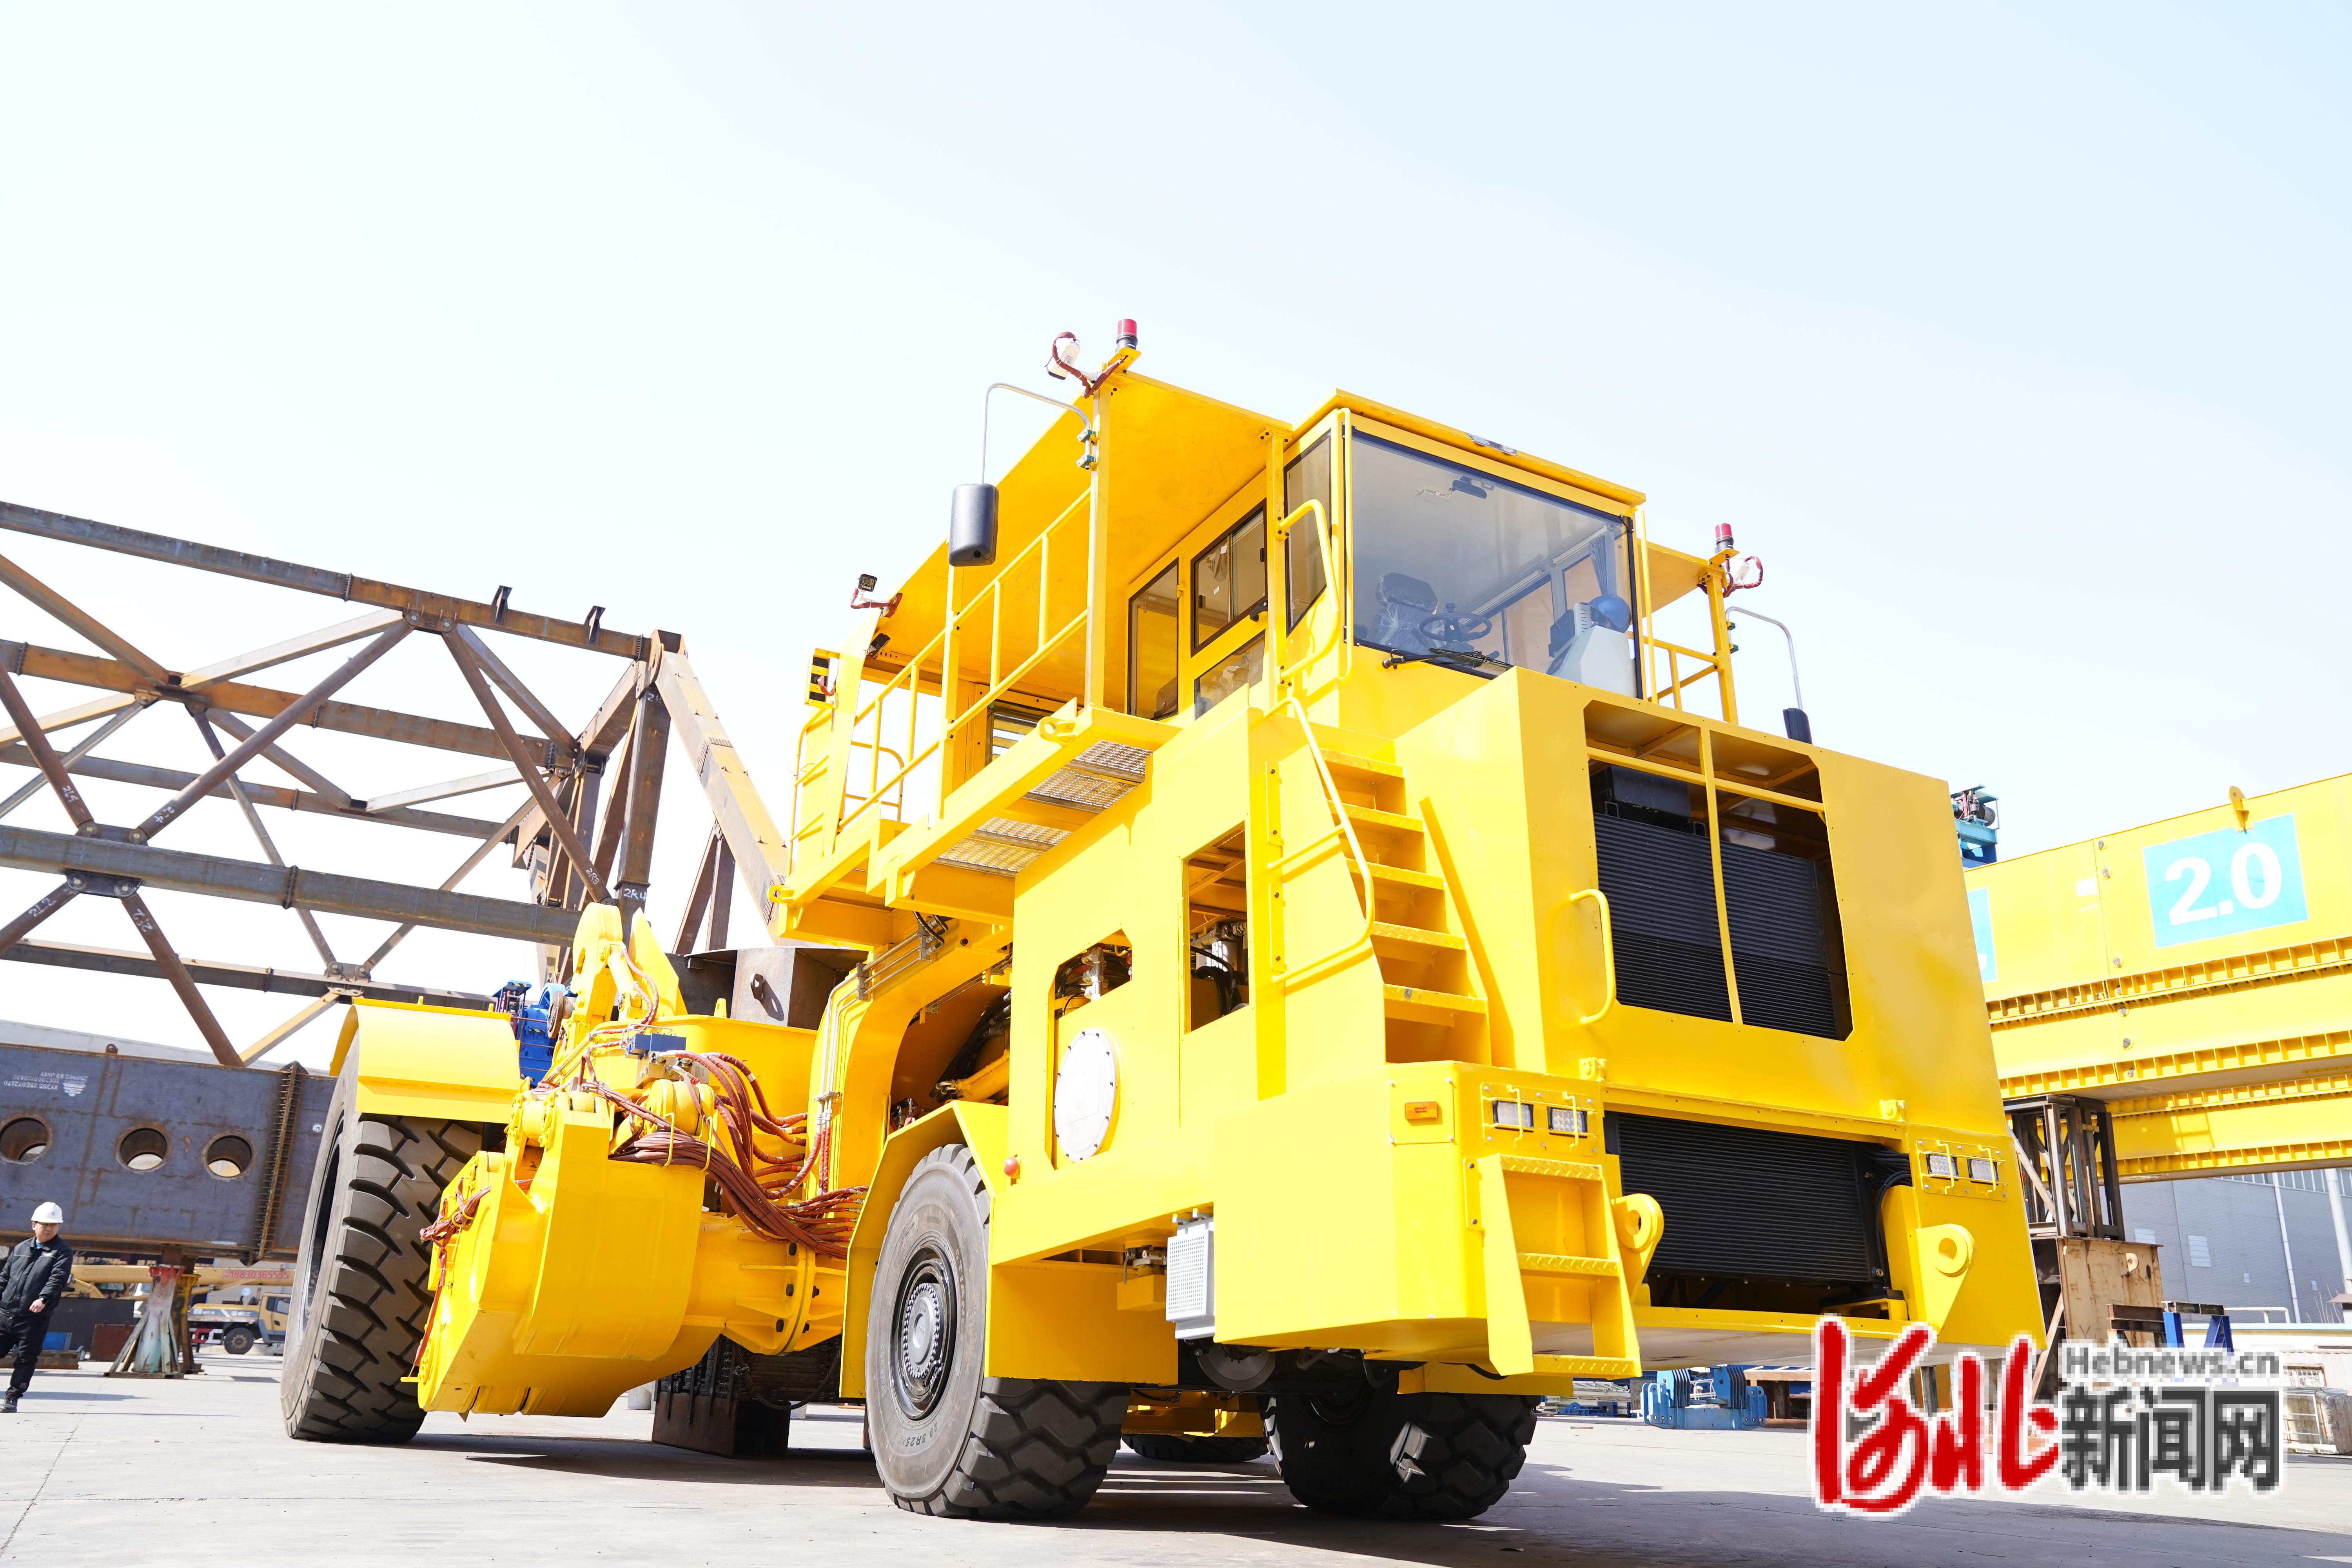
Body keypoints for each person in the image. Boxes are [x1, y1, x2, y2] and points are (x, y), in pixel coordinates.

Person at [0, 1202, 73, 1412]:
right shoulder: (21, 1249)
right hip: (5, 1314)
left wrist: (44, 1299)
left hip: (33, 1317)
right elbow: (5, 1277)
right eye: (45, 1224)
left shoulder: (62, 1251)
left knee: (26, 1359)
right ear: (34, 1225)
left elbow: (58, 1278)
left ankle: (12, 1397)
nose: (49, 1228)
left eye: (54, 1225)